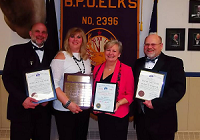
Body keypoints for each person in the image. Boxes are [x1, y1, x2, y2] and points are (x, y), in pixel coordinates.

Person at [2, 23, 55, 140]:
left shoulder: (53, 54)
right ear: (30, 33)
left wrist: (48, 99)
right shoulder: (15, 51)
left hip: (43, 112)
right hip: (21, 109)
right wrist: (23, 99)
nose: (40, 35)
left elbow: (55, 80)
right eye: (37, 31)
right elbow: (7, 78)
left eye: (43, 32)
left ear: (47, 35)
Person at [132, 33, 186, 140]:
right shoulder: (138, 63)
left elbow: (178, 90)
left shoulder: (174, 63)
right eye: (147, 44)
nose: (149, 47)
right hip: (142, 121)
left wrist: (156, 103)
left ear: (161, 46)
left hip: (164, 122)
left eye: (153, 44)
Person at [50, 27, 91, 140]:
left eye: (79, 37)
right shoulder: (61, 56)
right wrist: (68, 104)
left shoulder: (86, 59)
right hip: (64, 108)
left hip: (82, 108)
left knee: (81, 137)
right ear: (67, 39)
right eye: (72, 36)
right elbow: (54, 84)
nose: (75, 39)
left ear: (83, 40)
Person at [93, 40, 134, 140]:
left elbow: (130, 94)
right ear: (104, 52)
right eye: (108, 50)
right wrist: (93, 102)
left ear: (119, 54)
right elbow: (94, 90)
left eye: (114, 51)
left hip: (119, 114)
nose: (111, 53)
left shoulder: (127, 70)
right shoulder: (97, 69)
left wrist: (118, 103)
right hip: (102, 115)